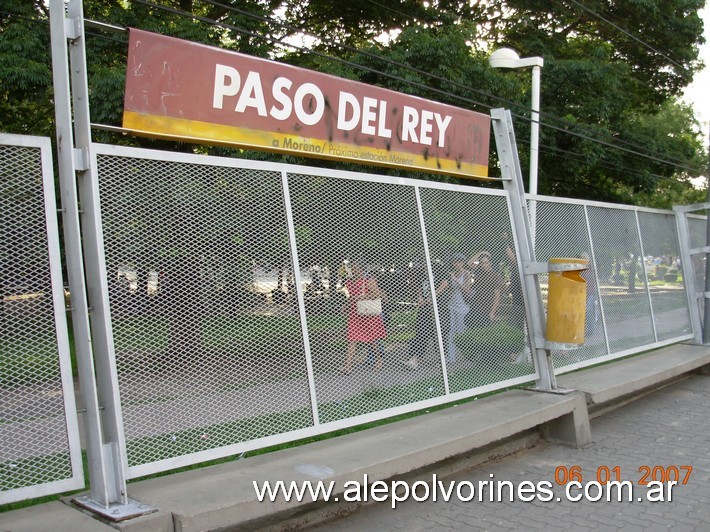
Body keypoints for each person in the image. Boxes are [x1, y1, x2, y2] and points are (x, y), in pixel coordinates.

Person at [342, 263, 387, 373]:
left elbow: (377, 295)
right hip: (354, 313)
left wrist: (361, 297)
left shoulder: (368, 280)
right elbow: (351, 297)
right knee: (352, 339)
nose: (353, 271)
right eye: (352, 268)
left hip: (367, 313)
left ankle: (378, 359)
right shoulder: (348, 282)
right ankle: (348, 367)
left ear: (361, 269)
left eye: (356, 268)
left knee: (371, 339)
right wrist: (346, 305)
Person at [437, 253, 473, 364]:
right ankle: (451, 358)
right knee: (451, 331)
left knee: (462, 331)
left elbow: (466, 289)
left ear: (462, 263)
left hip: (463, 307)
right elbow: (451, 290)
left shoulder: (467, 274)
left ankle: (469, 355)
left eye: (458, 262)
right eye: (454, 262)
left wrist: (455, 280)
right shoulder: (451, 274)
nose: (456, 264)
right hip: (452, 306)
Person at [402, 267, 437, 370]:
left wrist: (432, 298)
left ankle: (442, 359)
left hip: (435, 307)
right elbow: (419, 287)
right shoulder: (422, 273)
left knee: (435, 334)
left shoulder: (437, 269)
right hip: (424, 307)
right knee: (421, 332)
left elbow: (444, 285)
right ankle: (414, 359)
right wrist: (420, 298)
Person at [467, 250, 504, 328]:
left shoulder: (495, 276)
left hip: (487, 308)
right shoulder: (479, 272)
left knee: (485, 330)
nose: (484, 265)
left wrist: (492, 312)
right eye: (482, 263)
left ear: (490, 263)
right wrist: (480, 253)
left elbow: (497, 297)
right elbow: (469, 263)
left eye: (486, 262)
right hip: (476, 306)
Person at [580, 252, 598, 336]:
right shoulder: (581, 268)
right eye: (582, 258)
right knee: (584, 311)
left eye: (585, 258)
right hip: (583, 293)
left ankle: (590, 330)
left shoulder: (591, 267)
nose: (583, 260)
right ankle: (585, 329)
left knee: (589, 310)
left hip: (591, 293)